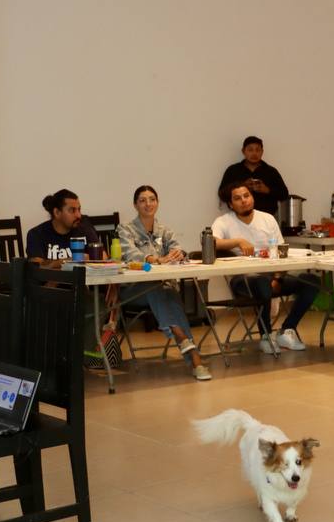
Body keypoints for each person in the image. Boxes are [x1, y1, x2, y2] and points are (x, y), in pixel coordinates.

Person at [211, 183, 319, 353]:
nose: (244, 201)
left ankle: (287, 330)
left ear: (252, 197)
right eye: (237, 198)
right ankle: (265, 335)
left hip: (272, 276)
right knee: (261, 282)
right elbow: (211, 242)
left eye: (246, 196)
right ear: (231, 204)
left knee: (311, 281)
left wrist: (278, 278)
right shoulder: (224, 221)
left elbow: (281, 251)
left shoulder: (267, 219)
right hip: (242, 281)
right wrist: (237, 241)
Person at [117, 186, 212, 381]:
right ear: (135, 205)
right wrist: (154, 259)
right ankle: (186, 344)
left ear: (158, 203)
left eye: (152, 199)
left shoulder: (165, 230)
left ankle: (192, 354)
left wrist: (178, 254)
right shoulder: (125, 229)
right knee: (157, 288)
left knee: (167, 292)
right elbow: (130, 254)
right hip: (133, 291)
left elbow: (176, 249)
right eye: (142, 200)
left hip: (162, 288)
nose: (148, 204)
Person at [217, 135, 290, 217]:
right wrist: (242, 186)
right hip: (237, 218)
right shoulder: (233, 170)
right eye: (250, 150)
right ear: (243, 151)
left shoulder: (271, 171)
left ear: (262, 152)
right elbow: (222, 194)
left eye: (258, 150)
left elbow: (284, 194)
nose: (254, 153)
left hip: (266, 218)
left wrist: (267, 190)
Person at [26, 189, 100, 265]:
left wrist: (91, 258)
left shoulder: (84, 228)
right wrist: (70, 261)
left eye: (79, 209)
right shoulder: (36, 234)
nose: (79, 215)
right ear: (57, 213)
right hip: (52, 277)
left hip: (83, 276)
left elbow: (103, 257)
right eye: (72, 210)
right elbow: (36, 265)